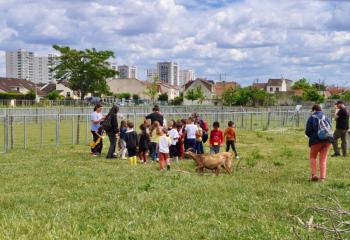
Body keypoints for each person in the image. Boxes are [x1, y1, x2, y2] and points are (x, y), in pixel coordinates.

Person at [305, 104, 333, 182]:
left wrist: (311, 136)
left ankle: (314, 175)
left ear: (314, 110)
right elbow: (330, 128)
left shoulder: (312, 118)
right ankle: (322, 178)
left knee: (313, 157)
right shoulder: (326, 117)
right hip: (327, 140)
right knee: (323, 159)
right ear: (321, 109)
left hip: (316, 140)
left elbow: (308, 131)